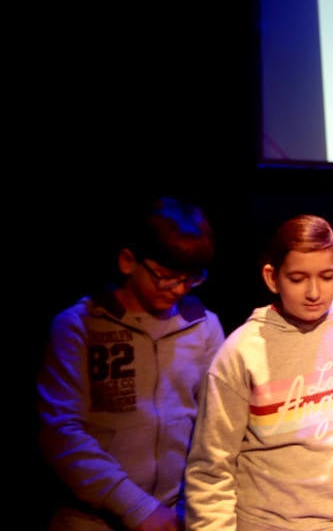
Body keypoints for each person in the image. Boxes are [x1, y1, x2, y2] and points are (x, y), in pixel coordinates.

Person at [185, 214, 333, 531]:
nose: (313, 292)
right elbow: (211, 466)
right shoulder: (241, 353)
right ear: (272, 277)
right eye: (297, 278)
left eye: (325, 276)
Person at [37, 195, 224, 531]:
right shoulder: (79, 325)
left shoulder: (204, 326)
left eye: (191, 279)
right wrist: (135, 506)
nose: (179, 289)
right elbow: (59, 431)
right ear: (128, 261)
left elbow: (214, 426)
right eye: (165, 276)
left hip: (174, 517)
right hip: (90, 518)